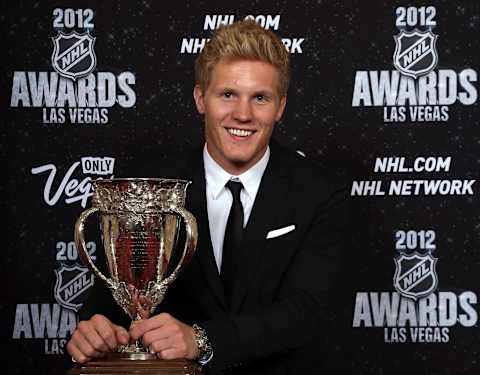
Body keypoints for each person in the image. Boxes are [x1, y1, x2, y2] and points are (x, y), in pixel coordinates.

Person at [67, 19, 348, 374]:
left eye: (259, 98)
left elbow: (306, 312)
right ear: (201, 98)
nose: (243, 114)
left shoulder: (319, 191)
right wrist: (96, 329)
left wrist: (201, 339)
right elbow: (115, 298)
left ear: (280, 107)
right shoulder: (150, 187)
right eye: (227, 94)